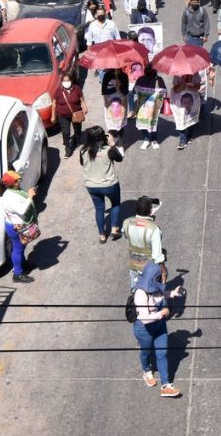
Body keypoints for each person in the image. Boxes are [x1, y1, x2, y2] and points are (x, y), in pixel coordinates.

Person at [130, 261, 184, 398]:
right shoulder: (140, 294)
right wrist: (162, 313)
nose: (161, 280)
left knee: (162, 353)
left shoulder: (155, 286)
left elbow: (161, 294)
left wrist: (172, 293)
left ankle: (166, 385)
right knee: (146, 352)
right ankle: (147, 371)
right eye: (159, 278)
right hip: (144, 328)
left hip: (159, 325)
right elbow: (145, 318)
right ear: (153, 278)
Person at [80, 128, 124, 244]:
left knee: (99, 209)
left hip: (92, 186)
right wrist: (113, 145)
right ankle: (114, 229)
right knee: (115, 204)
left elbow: (82, 163)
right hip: (109, 184)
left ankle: (102, 235)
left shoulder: (83, 151)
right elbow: (120, 158)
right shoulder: (108, 150)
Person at [0, 171, 37, 283]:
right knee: (18, 249)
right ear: (12, 184)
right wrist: (30, 197)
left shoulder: (12, 191)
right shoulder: (10, 197)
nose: (19, 181)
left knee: (21, 248)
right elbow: (21, 210)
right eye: (16, 180)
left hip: (15, 225)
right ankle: (18, 274)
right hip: (16, 227)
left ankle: (23, 264)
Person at [124, 195, 166, 287]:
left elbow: (125, 234)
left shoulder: (126, 223)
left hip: (134, 265)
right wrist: (163, 271)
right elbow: (157, 256)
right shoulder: (154, 229)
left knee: (136, 293)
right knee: (153, 296)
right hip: (149, 269)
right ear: (150, 211)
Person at [133, 65, 167, 149]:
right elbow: (135, 90)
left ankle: (153, 139)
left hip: (153, 107)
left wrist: (159, 89)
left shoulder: (158, 80)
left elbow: (164, 91)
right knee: (143, 122)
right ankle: (147, 139)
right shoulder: (141, 79)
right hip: (142, 107)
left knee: (153, 122)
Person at [55, 72, 86, 158]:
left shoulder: (77, 89)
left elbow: (81, 99)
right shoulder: (59, 91)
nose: (66, 82)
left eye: (68, 80)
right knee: (66, 132)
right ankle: (68, 149)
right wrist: (53, 116)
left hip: (76, 114)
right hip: (63, 115)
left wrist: (85, 106)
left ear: (72, 81)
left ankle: (77, 139)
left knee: (77, 129)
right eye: (64, 81)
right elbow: (54, 102)